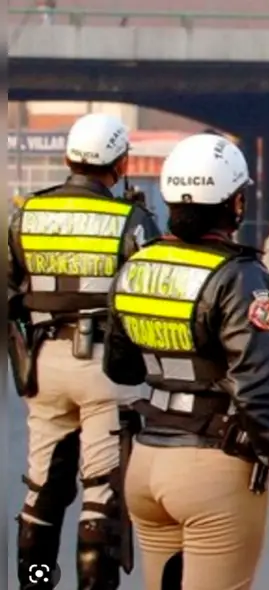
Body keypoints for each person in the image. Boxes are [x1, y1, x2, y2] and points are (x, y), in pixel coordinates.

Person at [102, 133, 269, 590]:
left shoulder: (137, 266)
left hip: (146, 463)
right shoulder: (240, 277)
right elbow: (260, 388)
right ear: (234, 203)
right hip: (213, 469)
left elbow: (121, 368)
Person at [7, 112, 161, 589]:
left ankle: (34, 582)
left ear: (67, 159)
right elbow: (150, 293)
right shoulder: (130, 220)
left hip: (42, 365)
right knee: (100, 497)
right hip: (104, 368)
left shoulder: (24, 214)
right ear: (119, 163)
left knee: (42, 493)